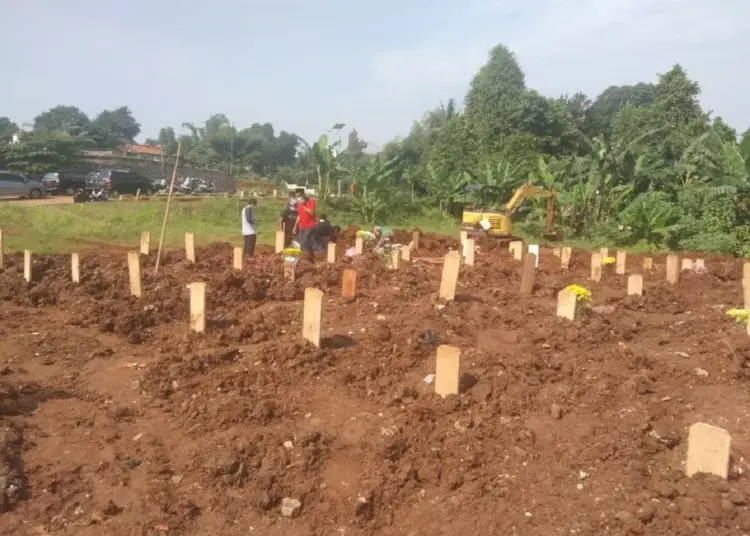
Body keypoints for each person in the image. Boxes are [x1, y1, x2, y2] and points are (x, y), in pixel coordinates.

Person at [294, 194, 316, 260]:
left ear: (304, 199)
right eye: (298, 200)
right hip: (302, 225)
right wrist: (295, 226)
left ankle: (305, 256)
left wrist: (303, 206)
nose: (299, 201)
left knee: (305, 240)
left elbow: (311, 213)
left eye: (300, 200)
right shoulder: (298, 205)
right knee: (301, 240)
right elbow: (299, 216)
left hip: (310, 225)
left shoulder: (311, 202)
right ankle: (309, 255)